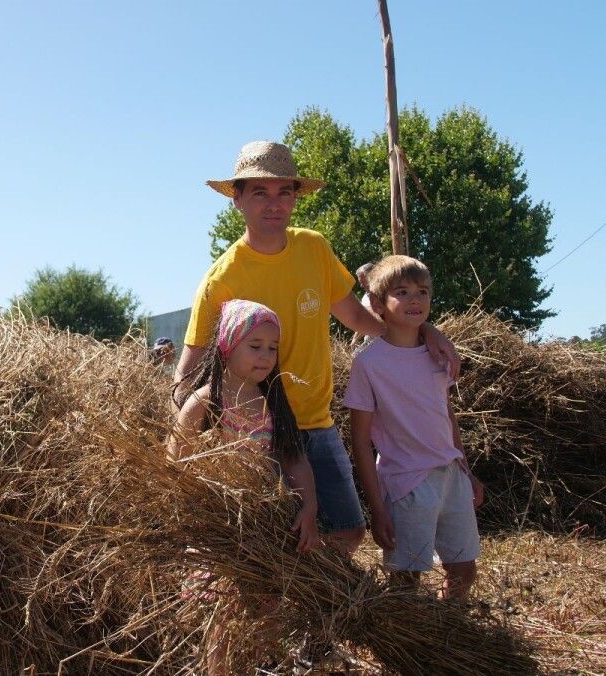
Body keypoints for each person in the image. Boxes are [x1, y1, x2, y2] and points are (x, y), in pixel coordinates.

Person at [176, 140, 459, 555]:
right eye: (259, 193)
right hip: (256, 430)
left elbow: (359, 318)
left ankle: (316, 610)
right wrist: (191, 440)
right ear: (237, 200)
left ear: (294, 198)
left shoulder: (313, 248)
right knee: (273, 541)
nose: (274, 204)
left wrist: (423, 331)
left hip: (315, 419)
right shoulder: (222, 279)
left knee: (346, 531)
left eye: (283, 192)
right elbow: (188, 368)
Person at [169, 299, 320, 674]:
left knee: (264, 610)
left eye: (272, 348)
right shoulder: (205, 401)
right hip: (218, 526)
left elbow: (294, 459)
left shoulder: (272, 402)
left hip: (260, 525)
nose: (266, 355)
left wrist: (310, 507)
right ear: (227, 346)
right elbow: (174, 462)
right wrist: (199, 507)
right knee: (221, 614)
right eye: (255, 346)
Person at [342, 255, 484, 599]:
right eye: (401, 292)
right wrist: (377, 509)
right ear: (377, 304)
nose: (414, 299)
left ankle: (449, 630)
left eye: (422, 291)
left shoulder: (438, 354)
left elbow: (445, 414)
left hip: (451, 476)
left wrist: (465, 469)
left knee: (464, 571)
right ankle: (411, 645)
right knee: (406, 579)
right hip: (406, 483)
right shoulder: (368, 364)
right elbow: (360, 441)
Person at [350, 262, 376, 347]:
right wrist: (354, 340)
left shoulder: (386, 296)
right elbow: (363, 319)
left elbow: (370, 318)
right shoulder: (365, 297)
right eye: (360, 282)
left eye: (363, 281)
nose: (361, 285)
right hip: (369, 342)